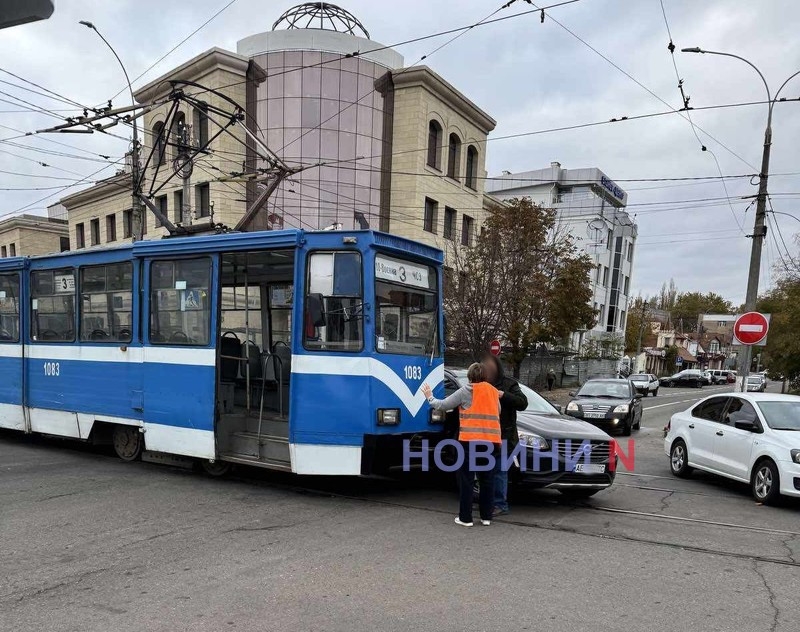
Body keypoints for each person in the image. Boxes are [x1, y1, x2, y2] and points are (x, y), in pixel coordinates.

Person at [422, 362, 501, 527]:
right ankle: (486, 517)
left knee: (467, 480)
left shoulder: (466, 391)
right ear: (485, 376)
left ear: (470, 376)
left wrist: (429, 396)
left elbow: (443, 405)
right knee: (487, 480)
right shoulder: (493, 392)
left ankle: (465, 518)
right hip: (492, 442)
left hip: (470, 442)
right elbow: (498, 410)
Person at [482, 354, 528, 517]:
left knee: (499, 471)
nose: (487, 369)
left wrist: (503, 395)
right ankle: (488, 502)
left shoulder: (509, 383)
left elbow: (523, 402)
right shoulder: (481, 383)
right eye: (485, 366)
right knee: (486, 470)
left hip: (504, 436)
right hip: (485, 435)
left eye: (490, 367)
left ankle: (500, 504)